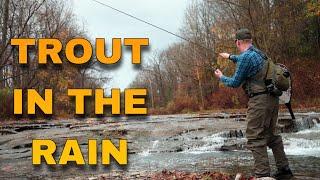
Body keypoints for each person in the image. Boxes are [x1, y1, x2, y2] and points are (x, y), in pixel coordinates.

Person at [214, 28, 293, 179]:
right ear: (249, 41)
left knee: (255, 137)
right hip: (273, 99)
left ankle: (262, 175)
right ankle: (284, 170)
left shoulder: (245, 58)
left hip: (259, 101)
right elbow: (245, 59)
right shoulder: (258, 53)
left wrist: (221, 77)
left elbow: (235, 82)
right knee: (272, 135)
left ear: (237, 42)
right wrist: (230, 57)